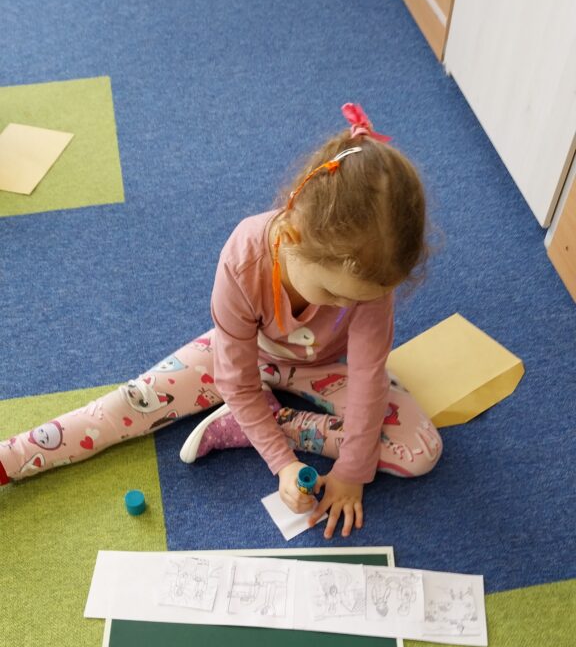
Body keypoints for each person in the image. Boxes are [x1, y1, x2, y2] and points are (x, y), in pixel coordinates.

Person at [0, 103, 442, 538]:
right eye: (334, 294)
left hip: (328, 368)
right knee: (131, 402)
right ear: (292, 237)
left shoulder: (370, 281)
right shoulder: (244, 258)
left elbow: (367, 379)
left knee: (421, 450)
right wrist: (283, 464)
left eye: (361, 298)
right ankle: (11, 457)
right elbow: (236, 380)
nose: (347, 305)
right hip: (244, 355)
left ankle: (266, 423)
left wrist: (350, 472)